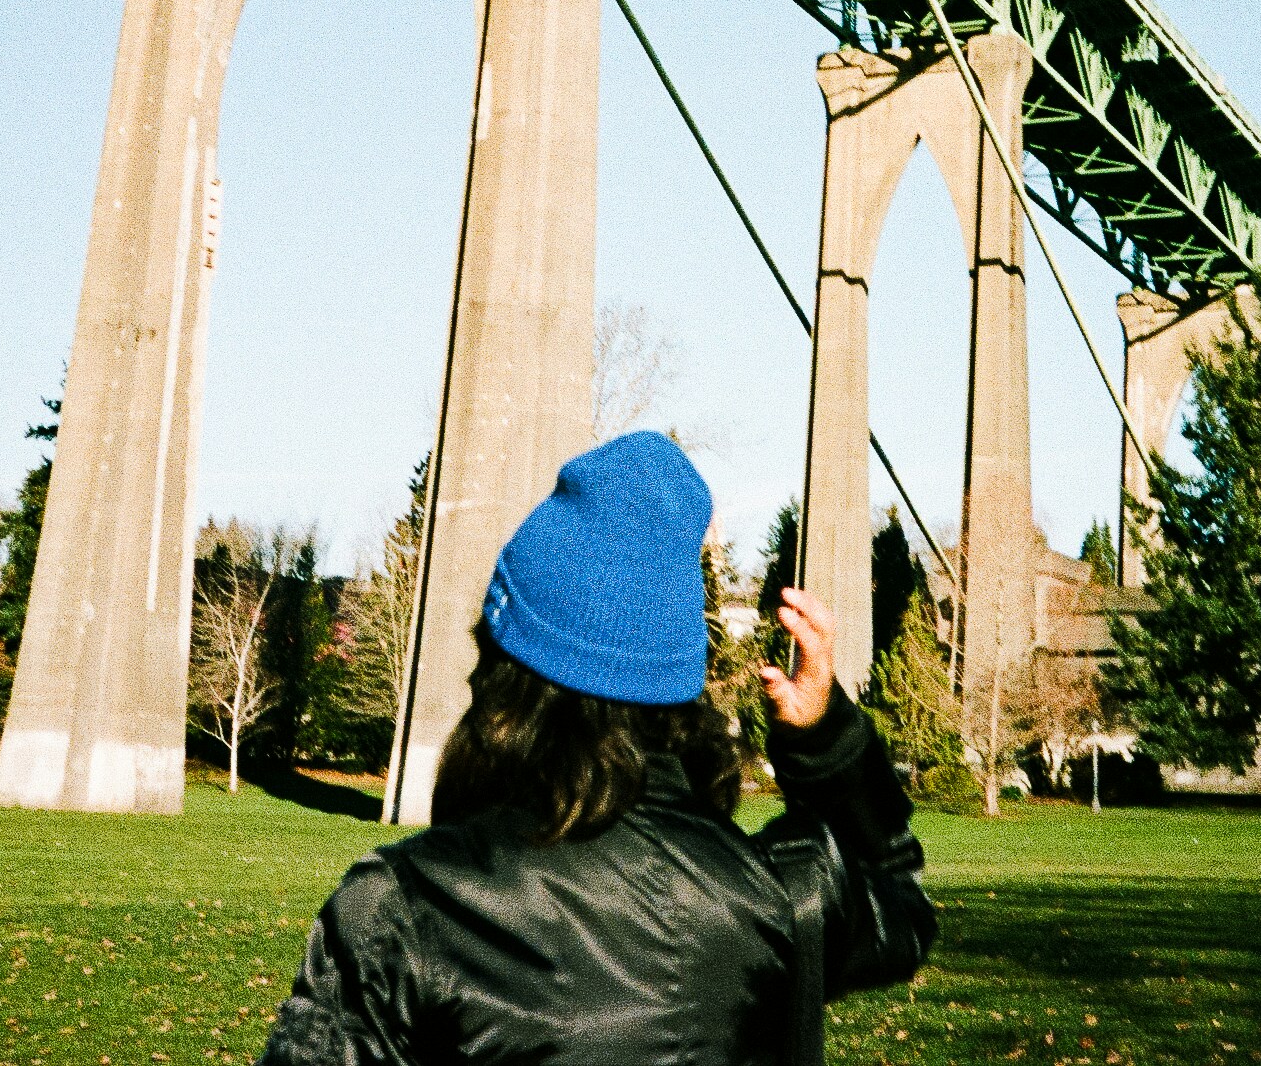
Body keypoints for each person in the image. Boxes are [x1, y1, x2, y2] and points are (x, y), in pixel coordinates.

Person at [258, 431, 936, 1065]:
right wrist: (824, 736)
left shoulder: (404, 911)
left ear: (503, 675)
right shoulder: (784, 895)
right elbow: (896, 895)